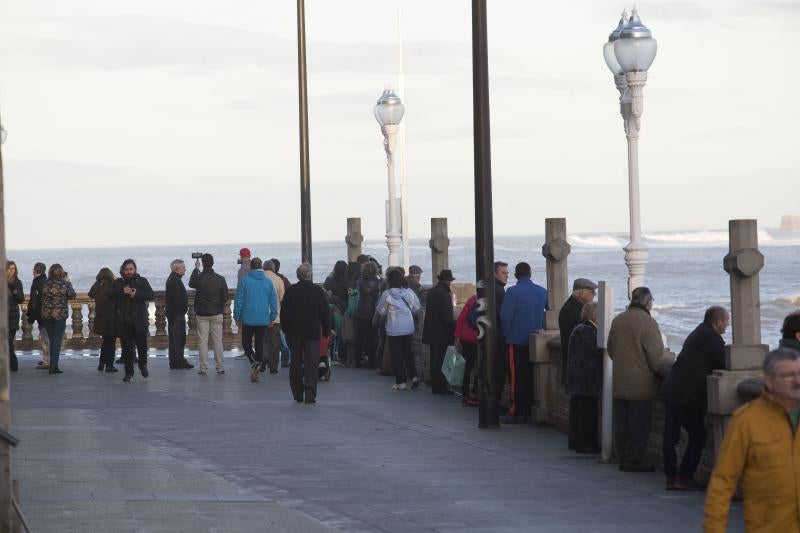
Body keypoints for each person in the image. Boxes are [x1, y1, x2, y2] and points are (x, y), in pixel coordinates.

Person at [703, 347, 800, 532]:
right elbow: (723, 481)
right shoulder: (747, 420)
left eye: (799, 374)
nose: (797, 381)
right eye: (788, 375)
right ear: (769, 380)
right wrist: (714, 528)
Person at [658, 306, 728, 490]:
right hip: (687, 394)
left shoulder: (698, 331)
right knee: (699, 435)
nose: (727, 325)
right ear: (717, 321)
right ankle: (684, 477)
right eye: (726, 320)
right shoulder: (711, 337)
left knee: (670, 437)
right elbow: (723, 362)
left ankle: (671, 477)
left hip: (672, 389)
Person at [606, 286, 665, 472]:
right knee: (638, 425)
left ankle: (622, 456)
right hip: (640, 383)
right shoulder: (648, 323)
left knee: (622, 423)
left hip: (620, 380)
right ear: (647, 302)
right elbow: (656, 357)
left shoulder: (618, 320)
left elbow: (610, 349)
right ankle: (633, 460)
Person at [500, 262, 547, 423]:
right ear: (530, 273)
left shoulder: (512, 292)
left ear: (516, 275)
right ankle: (528, 410)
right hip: (536, 341)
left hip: (516, 340)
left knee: (516, 378)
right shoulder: (542, 292)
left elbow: (505, 317)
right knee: (530, 377)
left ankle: (517, 411)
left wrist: (507, 334)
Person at [280, 263, 331, 404]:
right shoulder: (317, 291)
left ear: (298, 275)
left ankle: (297, 393)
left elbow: (284, 313)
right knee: (312, 363)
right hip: (312, 332)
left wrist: (286, 329)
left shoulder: (291, 291)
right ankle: (310, 393)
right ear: (309, 275)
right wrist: (327, 330)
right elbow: (325, 313)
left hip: (294, 332)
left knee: (295, 362)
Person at [559, 278, 598, 448]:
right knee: (584, 411)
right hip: (583, 376)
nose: (593, 296)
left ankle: (577, 441)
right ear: (582, 293)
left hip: (575, 373)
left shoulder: (570, 308)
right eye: (591, 293)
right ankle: (583, 443)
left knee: (578, 409)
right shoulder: (573, 313)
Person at [565, 302, 602, 453]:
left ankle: (577, 441)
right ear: (595, 315)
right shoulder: (587, 330)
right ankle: (584, 444)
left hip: (579, 380)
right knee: (586, 414)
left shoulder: (580, 328)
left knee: (579, 413)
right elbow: (597, 351)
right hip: (585, 380)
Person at [234, 257, 278, 383]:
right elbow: (273, 301)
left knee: (246, 343)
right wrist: (273, 316)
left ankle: (254, 363)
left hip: (248, 318)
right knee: (259, 344)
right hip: (263, 318)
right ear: (261, 267)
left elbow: (239, 301)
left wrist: (237, 316)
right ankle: (257, 365)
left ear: (251, 267)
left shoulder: (245, 281)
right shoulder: (268, 282)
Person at [376, 267, 421, 390]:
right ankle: (414, 376)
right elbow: (417, 308)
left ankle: (401, 381)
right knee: (408, 353)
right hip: (408, 327)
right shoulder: (409, 292)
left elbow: (381, 311)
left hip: (394, 329)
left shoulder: (387, 294)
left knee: (397, 356)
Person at [112, 259, 155, 382]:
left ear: (135, 269)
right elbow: (110, 294)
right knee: (126, 349)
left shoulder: (142, 281)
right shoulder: (119, 283)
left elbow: (151, 295)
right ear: (123, 270)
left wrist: (137, 294)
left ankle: (143, 365)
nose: (129, 271)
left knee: (142, 346)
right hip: (124, 320)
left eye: (131, 269)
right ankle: (128, 373)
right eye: (127, 269)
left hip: (139, 320)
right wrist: (122, 291)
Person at [189, 253, 229, 376]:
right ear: (212, 263)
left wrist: (196, 268)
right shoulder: (220, 279)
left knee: (202, 341)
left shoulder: (199, 278)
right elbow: (225, 297)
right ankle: (220, 367)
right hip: (216, 312)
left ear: (203, 263)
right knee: (218, 340)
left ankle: (203, 368)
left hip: (202, 314)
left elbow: (191, 283)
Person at [422, 269, 457, 395]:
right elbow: (447, 317)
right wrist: (454, 328)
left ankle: (436, 386)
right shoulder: (445, 294)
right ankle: (441, 387)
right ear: (448, 281)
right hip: (442, 334)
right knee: (442, 361)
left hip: (431, 333)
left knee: (435, 361)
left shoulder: (432, 291)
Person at [40, 264, 76, 375]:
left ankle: (52, 364)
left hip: (47, 316)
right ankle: (53, 366)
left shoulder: (45, 284)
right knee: (56, 341)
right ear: (61, 273)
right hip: (60, 316)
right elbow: (72, 295)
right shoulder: (65, 284)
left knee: (52, 340)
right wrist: (68, 281)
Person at [88, 268, 118, 373]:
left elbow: (90, 294)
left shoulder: (97, 284)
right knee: (111, 342)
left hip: (100, 317)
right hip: (111, 317)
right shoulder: (112, 284)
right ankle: (109, 365)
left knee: (105, 341)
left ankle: (101, 363)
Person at [165, 259, 193, 370]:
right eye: (183, 267)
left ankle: (175, 361)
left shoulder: (173, 279)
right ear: (177, 268)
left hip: (174, 314)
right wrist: (183, 308)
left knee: (175, 339)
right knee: (178, 339)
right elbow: (177, 299)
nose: (185, 269)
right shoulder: (174, 281)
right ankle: (178, 361)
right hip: (176, 315)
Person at [354, 261, 380, 368]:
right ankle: (371, 361)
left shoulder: (360, 281)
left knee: (359, 337)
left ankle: (357, 360)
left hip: (360, 310)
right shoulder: (377, 282)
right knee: (371, 338)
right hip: (372, 311)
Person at [454, 293, 479, 406]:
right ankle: (475, 392)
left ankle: (465, 393)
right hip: (478, 338)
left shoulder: (473, 299)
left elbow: (462, 317)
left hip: (466, 337)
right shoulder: (489, 300)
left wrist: (457, 335)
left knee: (467, 367)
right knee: (480, 366)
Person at [262, 260, 285, 374]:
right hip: (275, 317)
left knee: (262, 340)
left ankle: (262, 362)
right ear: (274, 269)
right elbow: (282, 299)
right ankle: (273, 366)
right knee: (274, 342)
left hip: (260, 316)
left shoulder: (260, 278)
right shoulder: (278, 280)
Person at [27, 262, 50, 370]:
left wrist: (31, 316)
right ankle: (46, 358)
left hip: (42, 315)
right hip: (47, 314)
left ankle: (47, 361)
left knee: (45, 338)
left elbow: (34, 302)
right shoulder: (45, 281)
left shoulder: (37, 282)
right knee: (45, 337)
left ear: (35, 271)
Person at [493, 261, 509, 404]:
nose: (506, 276)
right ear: (494, 273)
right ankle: (495, 403)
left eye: (507, 273)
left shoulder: (493, 288)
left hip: (492, 337)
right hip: (498, 338)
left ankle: (492, 402)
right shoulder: (498, 291)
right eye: (503, 273)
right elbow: (502, 315)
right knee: (499, 372)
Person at [6, 261, 24, 372]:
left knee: (8, 341)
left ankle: (13, 364)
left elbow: (21, 299)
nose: (11, 271)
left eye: (13, 268)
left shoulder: (17, 283)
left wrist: (14, 289)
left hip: (12, 316)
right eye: (9, 268)